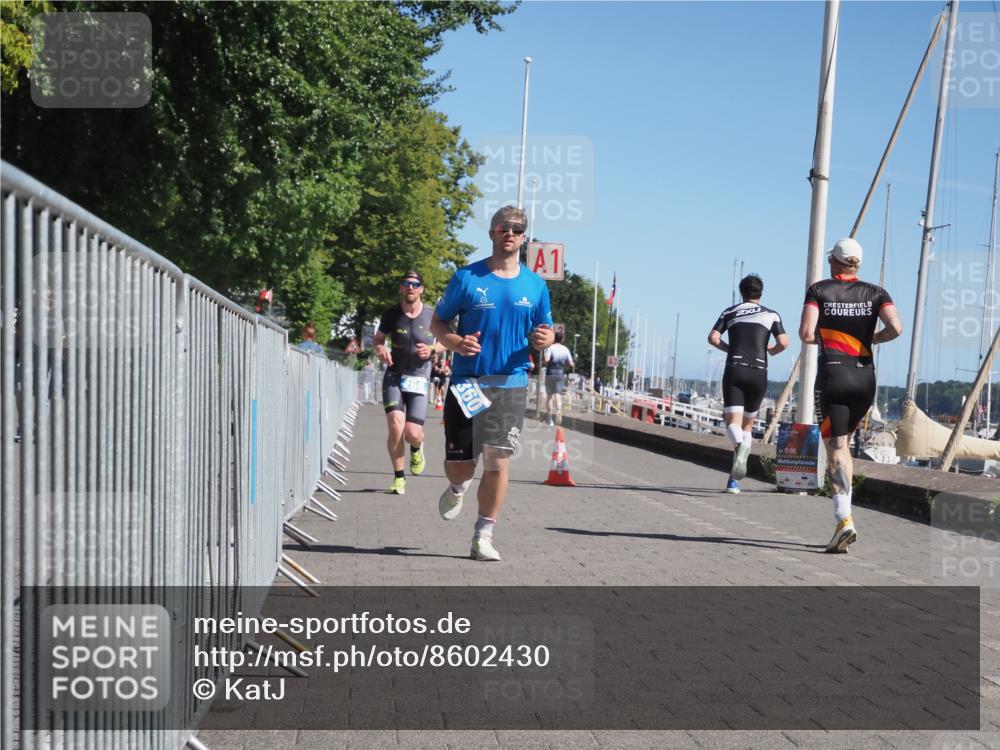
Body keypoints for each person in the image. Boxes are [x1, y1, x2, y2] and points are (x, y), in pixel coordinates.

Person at [431, 205, 554, 561]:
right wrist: (454, 342)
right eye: (503, 228)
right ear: (491, 233)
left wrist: (544, 341)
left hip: (511, 383)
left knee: (498, 460)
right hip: (468, 380)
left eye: (517, 229)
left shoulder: (536, 285)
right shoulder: (467, 278)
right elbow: (439, 322)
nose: (510, 233)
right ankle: (457, 487)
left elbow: (544, 331)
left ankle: (483, 534)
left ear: (524, 237)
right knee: (462, 463)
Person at [799, 238, 902, 553]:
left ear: (833, 261)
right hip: (864, 378)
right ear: (857, 264)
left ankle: (844, 519)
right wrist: (868, 339)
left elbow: (805, 333)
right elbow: (896, 327)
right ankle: (844, 520)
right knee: (845, 447)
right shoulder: (876, 293)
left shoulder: (819, 290)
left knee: (836, 449)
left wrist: (832, 339)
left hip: (833, 376)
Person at [709, 274, 788, 494]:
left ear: (741, 292)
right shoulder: (771, 314)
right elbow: (783, 342)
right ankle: (733, 481)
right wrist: (770, 351)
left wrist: (729, 349)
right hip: (759, 372)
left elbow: (713, 338)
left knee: (732, 424)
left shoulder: (730, 312)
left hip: (735, 368)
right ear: (760, 293)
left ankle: (738, 453)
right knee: (747, 427)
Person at [374, 271, 437, 495]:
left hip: (419, 377)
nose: (410, 287)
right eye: (406, 284)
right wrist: (381, 348)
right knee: (395, 425)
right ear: (401, 288)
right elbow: (379, 339)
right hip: (394, 374)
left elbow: (449, 342)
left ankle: (417, 447)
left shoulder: (433, 315)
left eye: (415, 284)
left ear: (421, 289)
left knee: (412, 433)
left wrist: (432, 349)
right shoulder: (391, 313)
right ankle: (399, 478)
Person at [543, 330, 574, 426]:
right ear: (562, 339)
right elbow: (571, 363)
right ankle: (559, 410)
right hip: (560, 372)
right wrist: (564, 364)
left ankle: (550, 419)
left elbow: (546, 360)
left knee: (549, 396)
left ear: (554, 338)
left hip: (550, 372)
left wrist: (545, 360)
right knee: (558, 394)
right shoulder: (565, 349)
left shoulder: (550, 347)